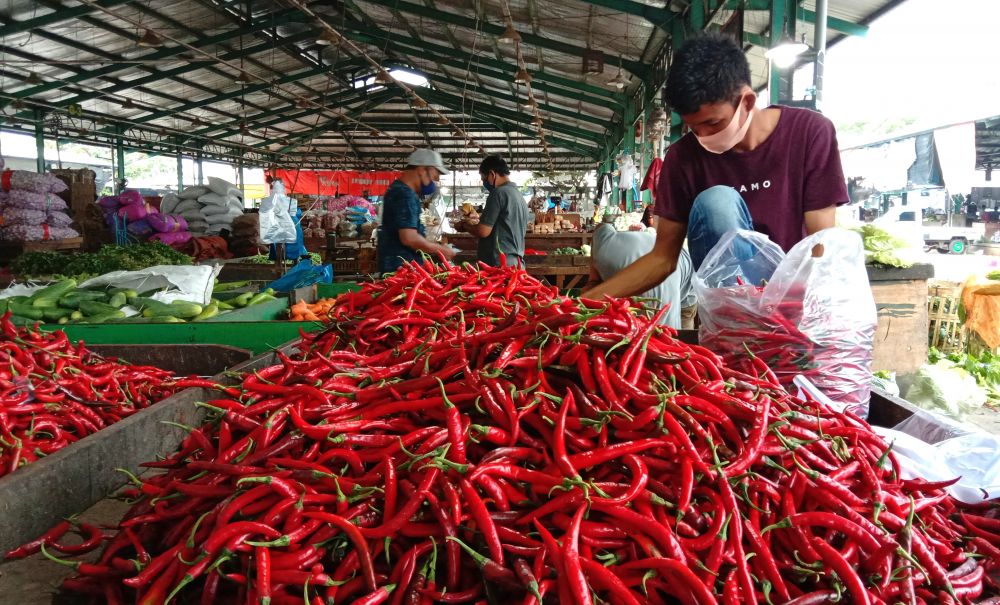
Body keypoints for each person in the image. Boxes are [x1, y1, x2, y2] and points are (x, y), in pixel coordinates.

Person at [583, 32, 849, 301]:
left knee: (718, 200)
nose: (703, 136)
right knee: (716, 202)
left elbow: (820, 244)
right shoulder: (683, 157)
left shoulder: (810, 133)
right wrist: (581, 303)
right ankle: (741, 315)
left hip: (792, 297)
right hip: (729, 305)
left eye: (712, 123)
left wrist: (819, 310)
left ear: (747, 102)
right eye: (693, 127)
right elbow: (662, 259)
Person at [589, 216, 694, 329]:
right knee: (662, 331)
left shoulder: (603, 247)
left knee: (665, 332)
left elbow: (591, 285)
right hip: (676, 265)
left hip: (681, 275)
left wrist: (593, 283)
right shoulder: (605, 245)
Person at [377, 149, 456, 274]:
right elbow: (409, 238)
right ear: (421, 170)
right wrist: (440, 250)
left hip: (402, 267)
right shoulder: (404, 194)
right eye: (434, 177)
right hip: (400, 270)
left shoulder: (400, 190)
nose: (434, 182)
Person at [460, 155, 529, 267]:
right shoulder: (519, 196)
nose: (484, 182)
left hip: (499, 266)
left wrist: (464, 226)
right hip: (517, 264)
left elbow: (483, 231)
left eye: (484, 179)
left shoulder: (498, 193)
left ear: (492, 174)